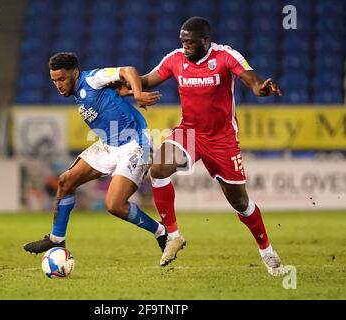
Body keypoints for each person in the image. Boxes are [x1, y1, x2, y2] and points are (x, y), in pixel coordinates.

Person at [140, 17, 285, 275]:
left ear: (205, 41)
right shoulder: (175, 58)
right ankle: (173, 235)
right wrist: (117, 83)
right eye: (182, 41)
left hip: (222, 138)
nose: (185, 46)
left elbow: (249, 77)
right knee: (159, 169)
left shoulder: (225, 55)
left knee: (239, 202)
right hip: (191, 132)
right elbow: (147, 80)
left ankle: (267, 250)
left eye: (190, 42)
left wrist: (259, 87)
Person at [23, 52, 169, 258]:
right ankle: (56, 239)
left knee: (114, 205)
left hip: (135, 144)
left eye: (62, 79)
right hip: (109, 145)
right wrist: (121, 93)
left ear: (75, 73)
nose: (58, 85)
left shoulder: (92, 78)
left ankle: (162, 232)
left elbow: (128, 70)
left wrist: (136, 94)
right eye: (54, 80)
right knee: (66, 182)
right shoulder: (77, 92)